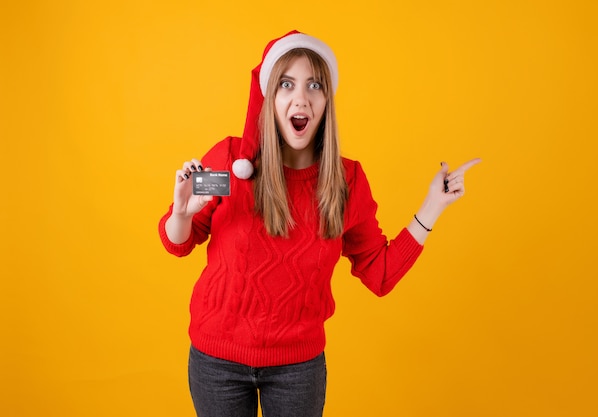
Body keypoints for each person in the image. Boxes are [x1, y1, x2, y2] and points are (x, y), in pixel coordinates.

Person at [158, 30, 480, 417]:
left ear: (327, 100)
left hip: (297, 369)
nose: (301, 98)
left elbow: (379, 274)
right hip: (216, 362)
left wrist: (432, 206)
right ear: (269, 98)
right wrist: (181, 213)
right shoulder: (231, 162)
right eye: (286, 84)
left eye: (314, 85)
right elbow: (178, 242)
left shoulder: (347, 182)